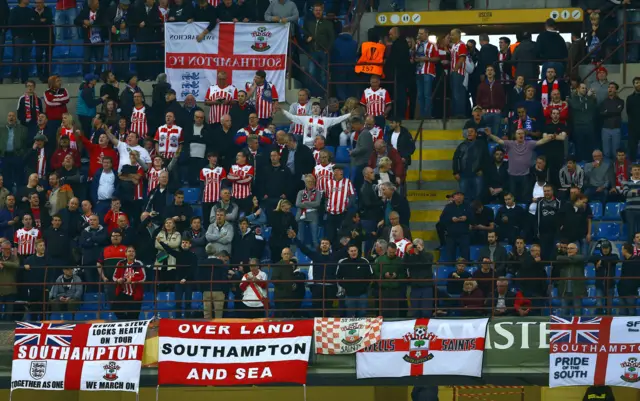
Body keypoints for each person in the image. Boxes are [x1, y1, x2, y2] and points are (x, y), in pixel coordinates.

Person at [486, 129, 565, 202]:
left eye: (522, 133)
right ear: (515, 135)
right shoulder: (510, 144)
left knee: (525, 197)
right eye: (519, 133)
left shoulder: (529, 144)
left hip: (525, 176)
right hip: (512, 176)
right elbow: (499, 141)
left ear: (524, 135)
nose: (520, 135)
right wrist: (490, 135)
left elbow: (541, 141)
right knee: (513, 197)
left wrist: (551, 137)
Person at [302, 2, 333, 98]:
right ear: (313, 11)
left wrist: (327, 50)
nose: (318, 12)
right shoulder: (308, 23)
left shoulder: (328, 23)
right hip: (312, 52)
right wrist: (306, 40)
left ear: (322, 11)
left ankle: (323, 94)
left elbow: (332, 38)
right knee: (312, 74)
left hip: (323, 52)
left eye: (319, 10)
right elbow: (304, 35)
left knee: (323, 75)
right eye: (316, 10)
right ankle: (313, 94)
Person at [453, 127, 489, 201]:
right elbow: (455, 159)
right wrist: (455, 172)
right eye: (468, 132)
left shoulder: (481, 145)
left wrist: (483, 170)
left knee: (478, 196)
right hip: (463, 175)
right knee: (464, 197)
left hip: (477, 174)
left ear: (476, 134)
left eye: (471, 131)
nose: (469, 133)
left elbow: (486, 159)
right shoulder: (462, 145)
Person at [336, 244, 373, 318]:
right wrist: (346, 287)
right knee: (350, 315)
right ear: (348, 252)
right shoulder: (343, 262)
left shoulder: (364, 261)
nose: (353, 252)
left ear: (358, 251)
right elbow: (338, 277)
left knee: (362, 314)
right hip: (349, 294)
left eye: (355, 250)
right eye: (351, 251)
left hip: (362, 294)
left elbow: (370, 276)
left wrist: (364, 287)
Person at [112, 246, 146, 320]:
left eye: (133, 251)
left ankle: (130, 323)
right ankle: (124, 320)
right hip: (123, 292)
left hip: (135, 293)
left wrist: (132, 280)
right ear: (125, 253)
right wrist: (118, 280)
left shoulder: (138, 263)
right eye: (129, 251)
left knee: (134, 315)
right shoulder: (120, 263)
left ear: (135, 254)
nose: (131, 253)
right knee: (115, 307)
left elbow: (143, 277)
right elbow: (114, 276)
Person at [374, 241, 405, 318]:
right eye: (390, 252)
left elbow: (404, 274)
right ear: (387, 250)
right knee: (383, 312)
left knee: (395, 312)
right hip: (383, 290)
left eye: (393, 252)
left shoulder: (400, 261)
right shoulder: (379, 259)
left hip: (395, 290)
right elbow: (375, 274)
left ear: (396, 251)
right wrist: (384, 275)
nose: (391, 254)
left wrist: (396, 275)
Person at [75, 0, 106, 76]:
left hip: (99, 40)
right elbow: (75, 21)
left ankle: (97, 76)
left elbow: (106, 22)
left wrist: (93, 24)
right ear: (91, 5)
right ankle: (86, 76)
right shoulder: (85, 12)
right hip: (88, 40)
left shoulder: (102, 11)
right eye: (97, 3)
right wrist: (83, 22)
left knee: (99, 59)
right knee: (86, 59)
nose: (98, 4)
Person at [555, 242, 586, 316]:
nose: (569, 250)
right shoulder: (563, 259)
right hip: (565, 291)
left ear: (576, 250)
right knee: (564, 312)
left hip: (577, 291)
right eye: (567, 248)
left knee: (577, 312)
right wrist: (570, 259)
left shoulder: (580, 259)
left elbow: (581, 258)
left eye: (571, 248)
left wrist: (568, 259)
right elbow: (558, 258)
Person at [439, 191, 472, 262]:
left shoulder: (468, 206)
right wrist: (451, 219)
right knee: (450, 255)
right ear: (453, 197)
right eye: (457, 195)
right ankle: (451, 270)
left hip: (464, 234)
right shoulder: (448, 207)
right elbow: (442, 219)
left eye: (461, 195)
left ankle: (466, 269)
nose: (459, 196)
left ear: (463, 197)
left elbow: (473, 218)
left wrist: (466, 218)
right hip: (451, 234)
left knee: (465, 254)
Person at [0, 111, 29, 190]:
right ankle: (8, 196)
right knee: (6, 177)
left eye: (13, 116)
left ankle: (18, 195)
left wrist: (22, 153)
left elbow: (25, 144)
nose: (11, 117)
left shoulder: (22, 129)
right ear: (7, 118)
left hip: (17, 156)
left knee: (18, 177)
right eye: (9, 116)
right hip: (4, 156)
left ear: (15, 118)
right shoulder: (2, 129)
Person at [476, 65, 506, 136]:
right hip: (485, 112)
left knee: (495, 133)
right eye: (488, 70)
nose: (490, 72)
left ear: (494, 73)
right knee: (485, 133)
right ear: (486, 73)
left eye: (491, 70)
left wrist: (501, 109)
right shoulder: (481, 86)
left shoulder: (499, 85)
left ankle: (494, 146)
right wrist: (481, 109)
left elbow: (503, 99)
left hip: (497, 113)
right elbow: (478, 99)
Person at [154, 218, 181, 291]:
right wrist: (168, 246)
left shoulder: (177, 234)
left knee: (171, 281)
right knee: (161, 281)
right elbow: (156, 245)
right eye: (166, 223)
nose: (168, 224)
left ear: (173, 225)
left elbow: (176, 244)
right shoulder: (160, 233)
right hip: (161, 259)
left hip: (172, 259)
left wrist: (163, 243)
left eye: (170, 223)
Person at [600, 82, 625, 161]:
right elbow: (601, 113)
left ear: (616, 90)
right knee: (606, 152)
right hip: (605, 128)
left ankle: (616, 170)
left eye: (612, 87)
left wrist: (607, 112)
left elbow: (618, 111)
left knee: (616, 152)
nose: (610, 89)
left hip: (616, 128)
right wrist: (612, 111)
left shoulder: (620, 101)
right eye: (609, 87)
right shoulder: (603, 102)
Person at [619, 243, 640, 316]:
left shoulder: (636, 261)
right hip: (622, 291)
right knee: (622, 313)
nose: (621, 252)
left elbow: (637, 277)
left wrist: (633, 287)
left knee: (631, 312)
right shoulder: (625, 262)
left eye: (622, 250)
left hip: (631, 292)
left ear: (625, 250)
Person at [623, 164, 640, 244]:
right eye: (635, 170)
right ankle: (630, 251)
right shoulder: (627, 182)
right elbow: (625, 193)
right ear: (631, 171)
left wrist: (633, 191)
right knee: (631, 231)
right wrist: (638, 191)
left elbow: (629, 193)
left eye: (638, 170)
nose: (637, 171)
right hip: (630, 210)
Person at [627, 77, 640, 161]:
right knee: (632, 147)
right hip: (633, 126)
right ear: (634, 85)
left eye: (639, 82)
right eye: (636, 82)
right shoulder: (630, 98)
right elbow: (628, 112)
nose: (638, 84)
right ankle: (632, 165)